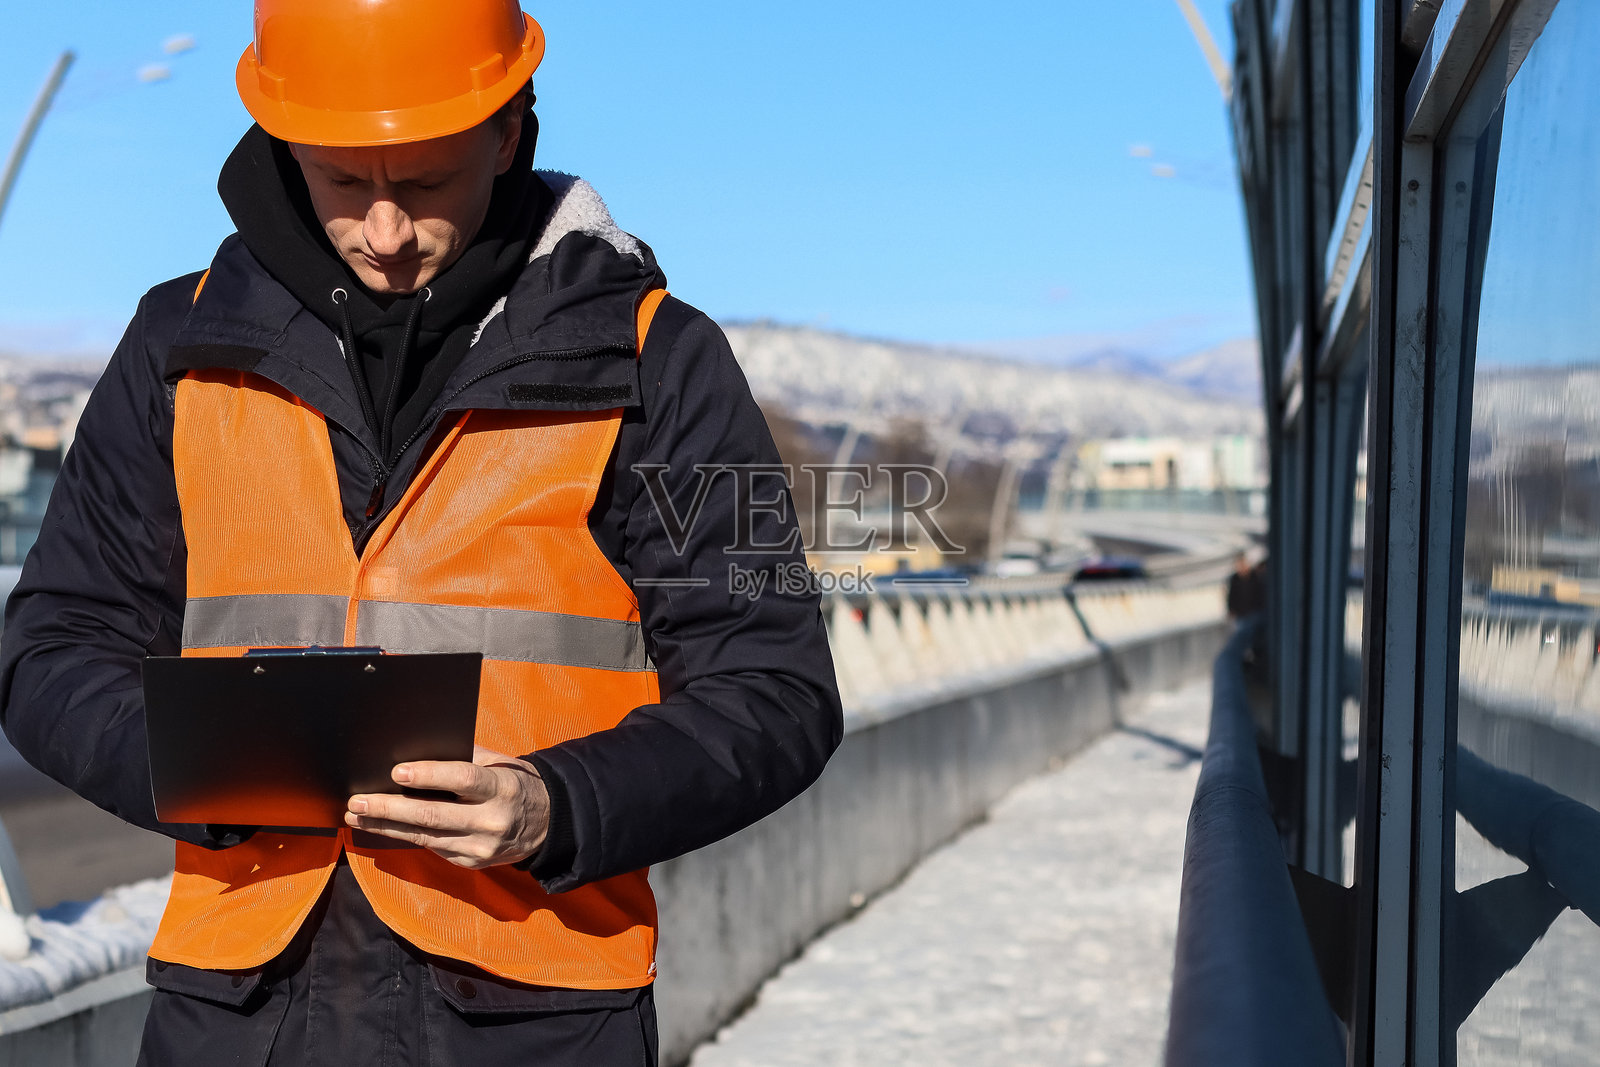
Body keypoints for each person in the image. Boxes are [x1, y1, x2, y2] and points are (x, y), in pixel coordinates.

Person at [0, 2, 842, 1063]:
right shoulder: (180, 349)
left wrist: (555, 803)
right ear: (283, 142)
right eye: (342, 181)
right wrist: (194, 763)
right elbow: (47, 649)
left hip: (530, 1021)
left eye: (427, 182)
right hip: (239, 1016)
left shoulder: (659, 361)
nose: (385, 231)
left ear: (506, 131)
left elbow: (776, 690)